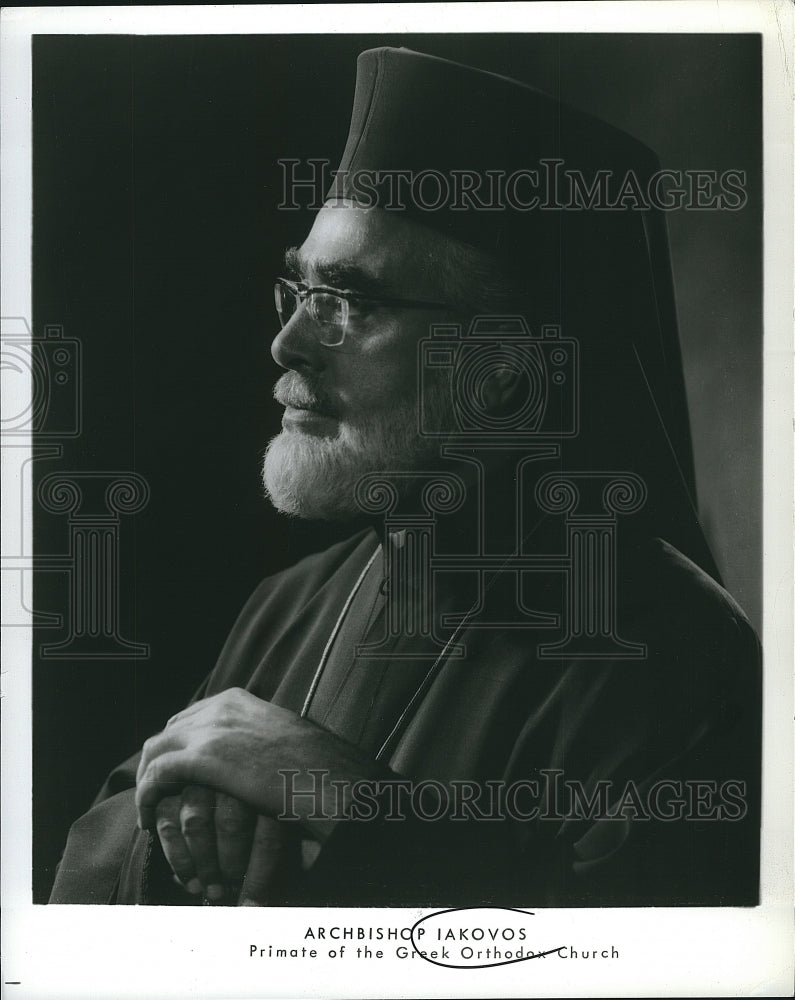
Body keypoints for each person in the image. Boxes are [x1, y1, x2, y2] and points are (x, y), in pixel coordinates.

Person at [50, 46, 760, 907]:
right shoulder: (288, 603)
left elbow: (653, 962)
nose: (289, 345)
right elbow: (94, 869)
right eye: (298, 290)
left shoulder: (675, 658)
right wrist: (181, 822)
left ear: (500, 367)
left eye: (351, 303)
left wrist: (355, 806)